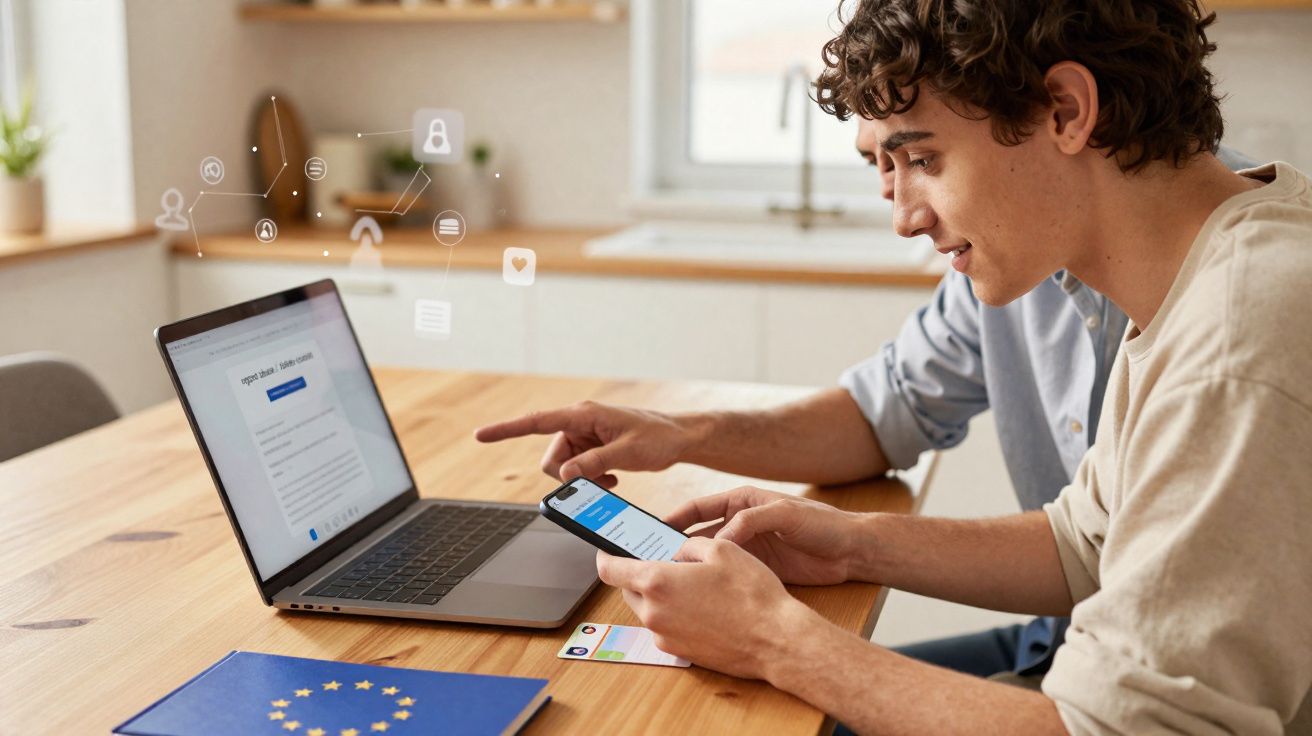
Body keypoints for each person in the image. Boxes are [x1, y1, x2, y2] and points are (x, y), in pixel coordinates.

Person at [479, 0, 1312, 731]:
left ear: (1066, 110)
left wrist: (773, 639)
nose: (905, 218)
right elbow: (1085, 542)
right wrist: (850, 546)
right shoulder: (1197, 272)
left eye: (924, 159)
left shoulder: (1234, 339)